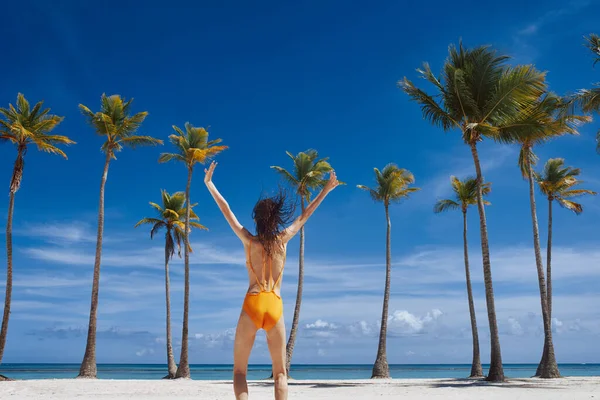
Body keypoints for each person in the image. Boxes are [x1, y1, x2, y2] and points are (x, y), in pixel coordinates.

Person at [204, 160, 339, 400]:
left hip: (253, 302)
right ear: (275, 218)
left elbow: (227, 211)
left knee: (239, 372)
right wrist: (326, 189)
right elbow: (306, 214)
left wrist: (210, 184)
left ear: (256, 219)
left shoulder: (249, 240)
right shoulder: (283, 239)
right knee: (280, 373)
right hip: (275, 304)